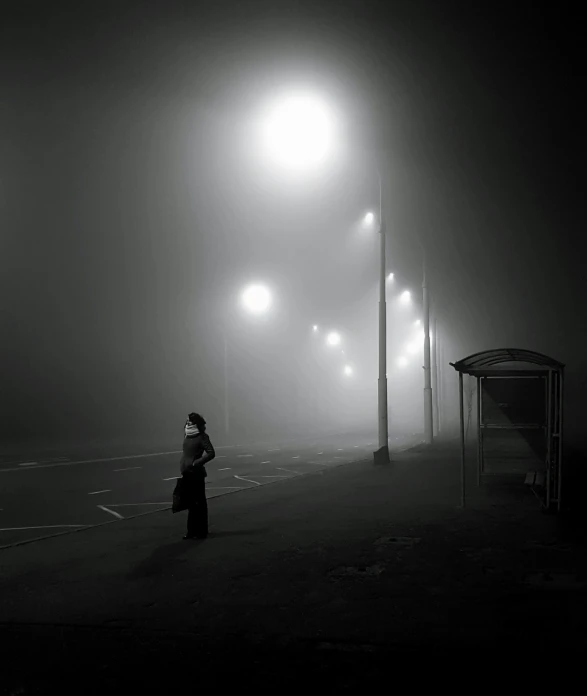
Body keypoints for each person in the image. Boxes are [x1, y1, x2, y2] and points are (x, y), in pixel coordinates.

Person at [179, 412, 215, 539]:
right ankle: (191, 532)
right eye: (187, 421)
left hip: (196, 474)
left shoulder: (202, 437)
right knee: (190, 503)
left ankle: (202, 531)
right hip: (186, 473)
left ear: (196, 423)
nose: (188, 423)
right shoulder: (187, 434)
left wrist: (196, 463)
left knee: (199, 503)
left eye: (190, 421)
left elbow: (211, 453)